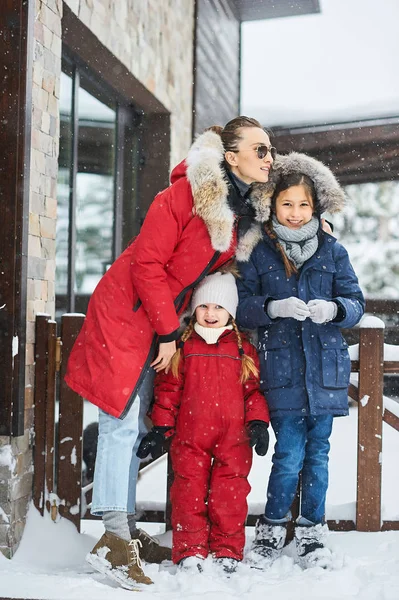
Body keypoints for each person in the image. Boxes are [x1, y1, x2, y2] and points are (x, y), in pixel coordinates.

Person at [64, 116, 276, 589]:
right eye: (260, 150)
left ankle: (128, 530)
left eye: (270, 150)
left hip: (157, 320)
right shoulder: (181, 195)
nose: (269, 158)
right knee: (120, 424)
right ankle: (114, 539)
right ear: (230, 155)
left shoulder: (240, 213)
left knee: (137, 423)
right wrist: (166, 330)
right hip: (126, 313)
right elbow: (147, 264)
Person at [236, 152, 365, 570]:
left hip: (325, 371)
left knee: (319, 454)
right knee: (288, 452)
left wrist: (335, 310)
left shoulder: (333, 251)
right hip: (283, 371)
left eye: (303, 205)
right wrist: (274, 307)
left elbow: (356, 303)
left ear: (316, 207)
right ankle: (272, 527)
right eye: (286, 204)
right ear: (273, 206)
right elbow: (243, 307)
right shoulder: (260, 251)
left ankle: (311, 529)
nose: (295, 213)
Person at [137, 271, 270, 575]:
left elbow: (253, 391)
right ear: (194, 309)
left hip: (234, 438)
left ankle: (227, 549)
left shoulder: (242, 350)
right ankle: (190, 549)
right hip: (190, 435)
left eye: (219, 307)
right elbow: (168, 390)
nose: (211, 314)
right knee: (188, 493)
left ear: (231, 313)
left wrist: (259, 423)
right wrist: (160, 428)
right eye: (204, 306)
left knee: (230, 495)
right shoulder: (183, 347)